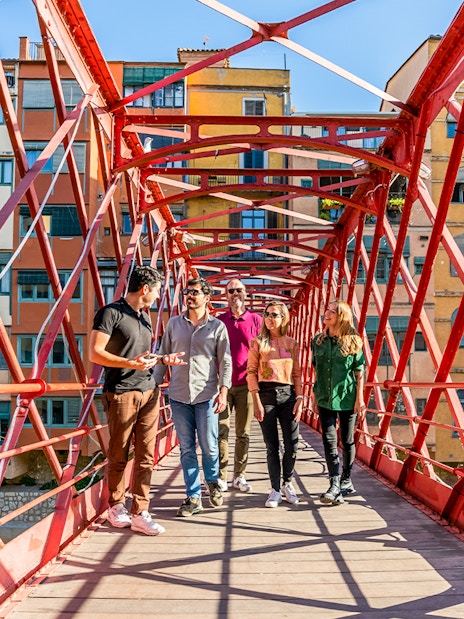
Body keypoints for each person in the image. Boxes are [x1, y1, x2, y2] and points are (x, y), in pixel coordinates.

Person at [89, 265, 186, 535]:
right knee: (119, 453)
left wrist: (163, 359)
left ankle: (141, 511)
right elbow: (95, 353)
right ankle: (116, 506)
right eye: (156, 292)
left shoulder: (143, 318)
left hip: (149, 391)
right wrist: (128, 363)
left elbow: (140, 356)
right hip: (121, 391)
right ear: (145, 289)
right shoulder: (110, 313)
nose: (157, 297)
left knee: (146, 456)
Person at [153, 277, 232, 517]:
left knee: (209, 446)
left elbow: (225, 360)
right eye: (187, 291)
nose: (189, 295)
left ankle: (213, 481)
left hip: (206, 395)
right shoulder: (174, 324)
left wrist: (224, 390)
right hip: (178, 395)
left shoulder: (217, 327)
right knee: (186, 448)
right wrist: (154, 385)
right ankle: (193, 497)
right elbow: (162, 355)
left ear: (207, 298)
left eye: (195, 292)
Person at [247, 301, 303, 508]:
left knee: (292, 445)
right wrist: (256, 401)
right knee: (272, 447)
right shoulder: (257, 343)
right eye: (267, 314)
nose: (270, 318)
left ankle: (288, 482)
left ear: (284, 318)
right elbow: (251, 372)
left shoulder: (291, 343)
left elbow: (297, 373)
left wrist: (300, 398)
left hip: (288, 395)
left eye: (275, 315)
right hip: (266, 395)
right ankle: (275, 490)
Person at [311, 299, 366, 505]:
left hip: (347, 397)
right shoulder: (317, 340)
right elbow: (315, 369)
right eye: (327, 310)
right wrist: (314, 396)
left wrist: (359, 398)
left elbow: (359, 372)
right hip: (325, 397)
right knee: (329, 439)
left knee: (347, 439)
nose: (327, 314)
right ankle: (334, 483)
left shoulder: (354, 341)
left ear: (341, 316)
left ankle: (346, 479)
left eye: (332, 311)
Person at [217, 279, 262, 493]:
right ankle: (221, 477)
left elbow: (266, 351)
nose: (235, 293)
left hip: (247, 385)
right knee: (221, 432)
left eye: (239, 290)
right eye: (231, 291)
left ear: (246, 293)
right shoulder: (218, 321)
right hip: (222, 386)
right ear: (226, 295)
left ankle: (240, 476)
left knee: (243, 433)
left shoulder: (256, 320)